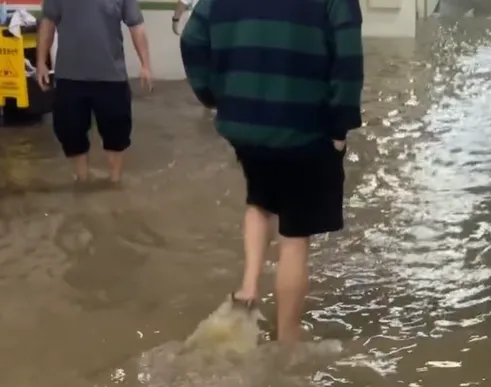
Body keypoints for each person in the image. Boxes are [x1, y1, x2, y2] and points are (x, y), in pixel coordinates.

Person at [179, 0, 364, 344]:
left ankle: (248, 291)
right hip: (305, 129)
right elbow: (348, 63)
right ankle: (288, 338)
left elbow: (192, 39)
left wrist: (213, 95)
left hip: (246, 126)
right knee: (294, 236)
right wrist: (340, 129)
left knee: (260, 198)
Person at [36, 0, 153, 183]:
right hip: (69, 76)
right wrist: (41, 62)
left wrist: (145, 64)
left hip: (111, 76)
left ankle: (115, 183)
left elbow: (136, 25)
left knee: (117, 133)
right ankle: (82, 180)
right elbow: (47, 22)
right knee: (70, 132)